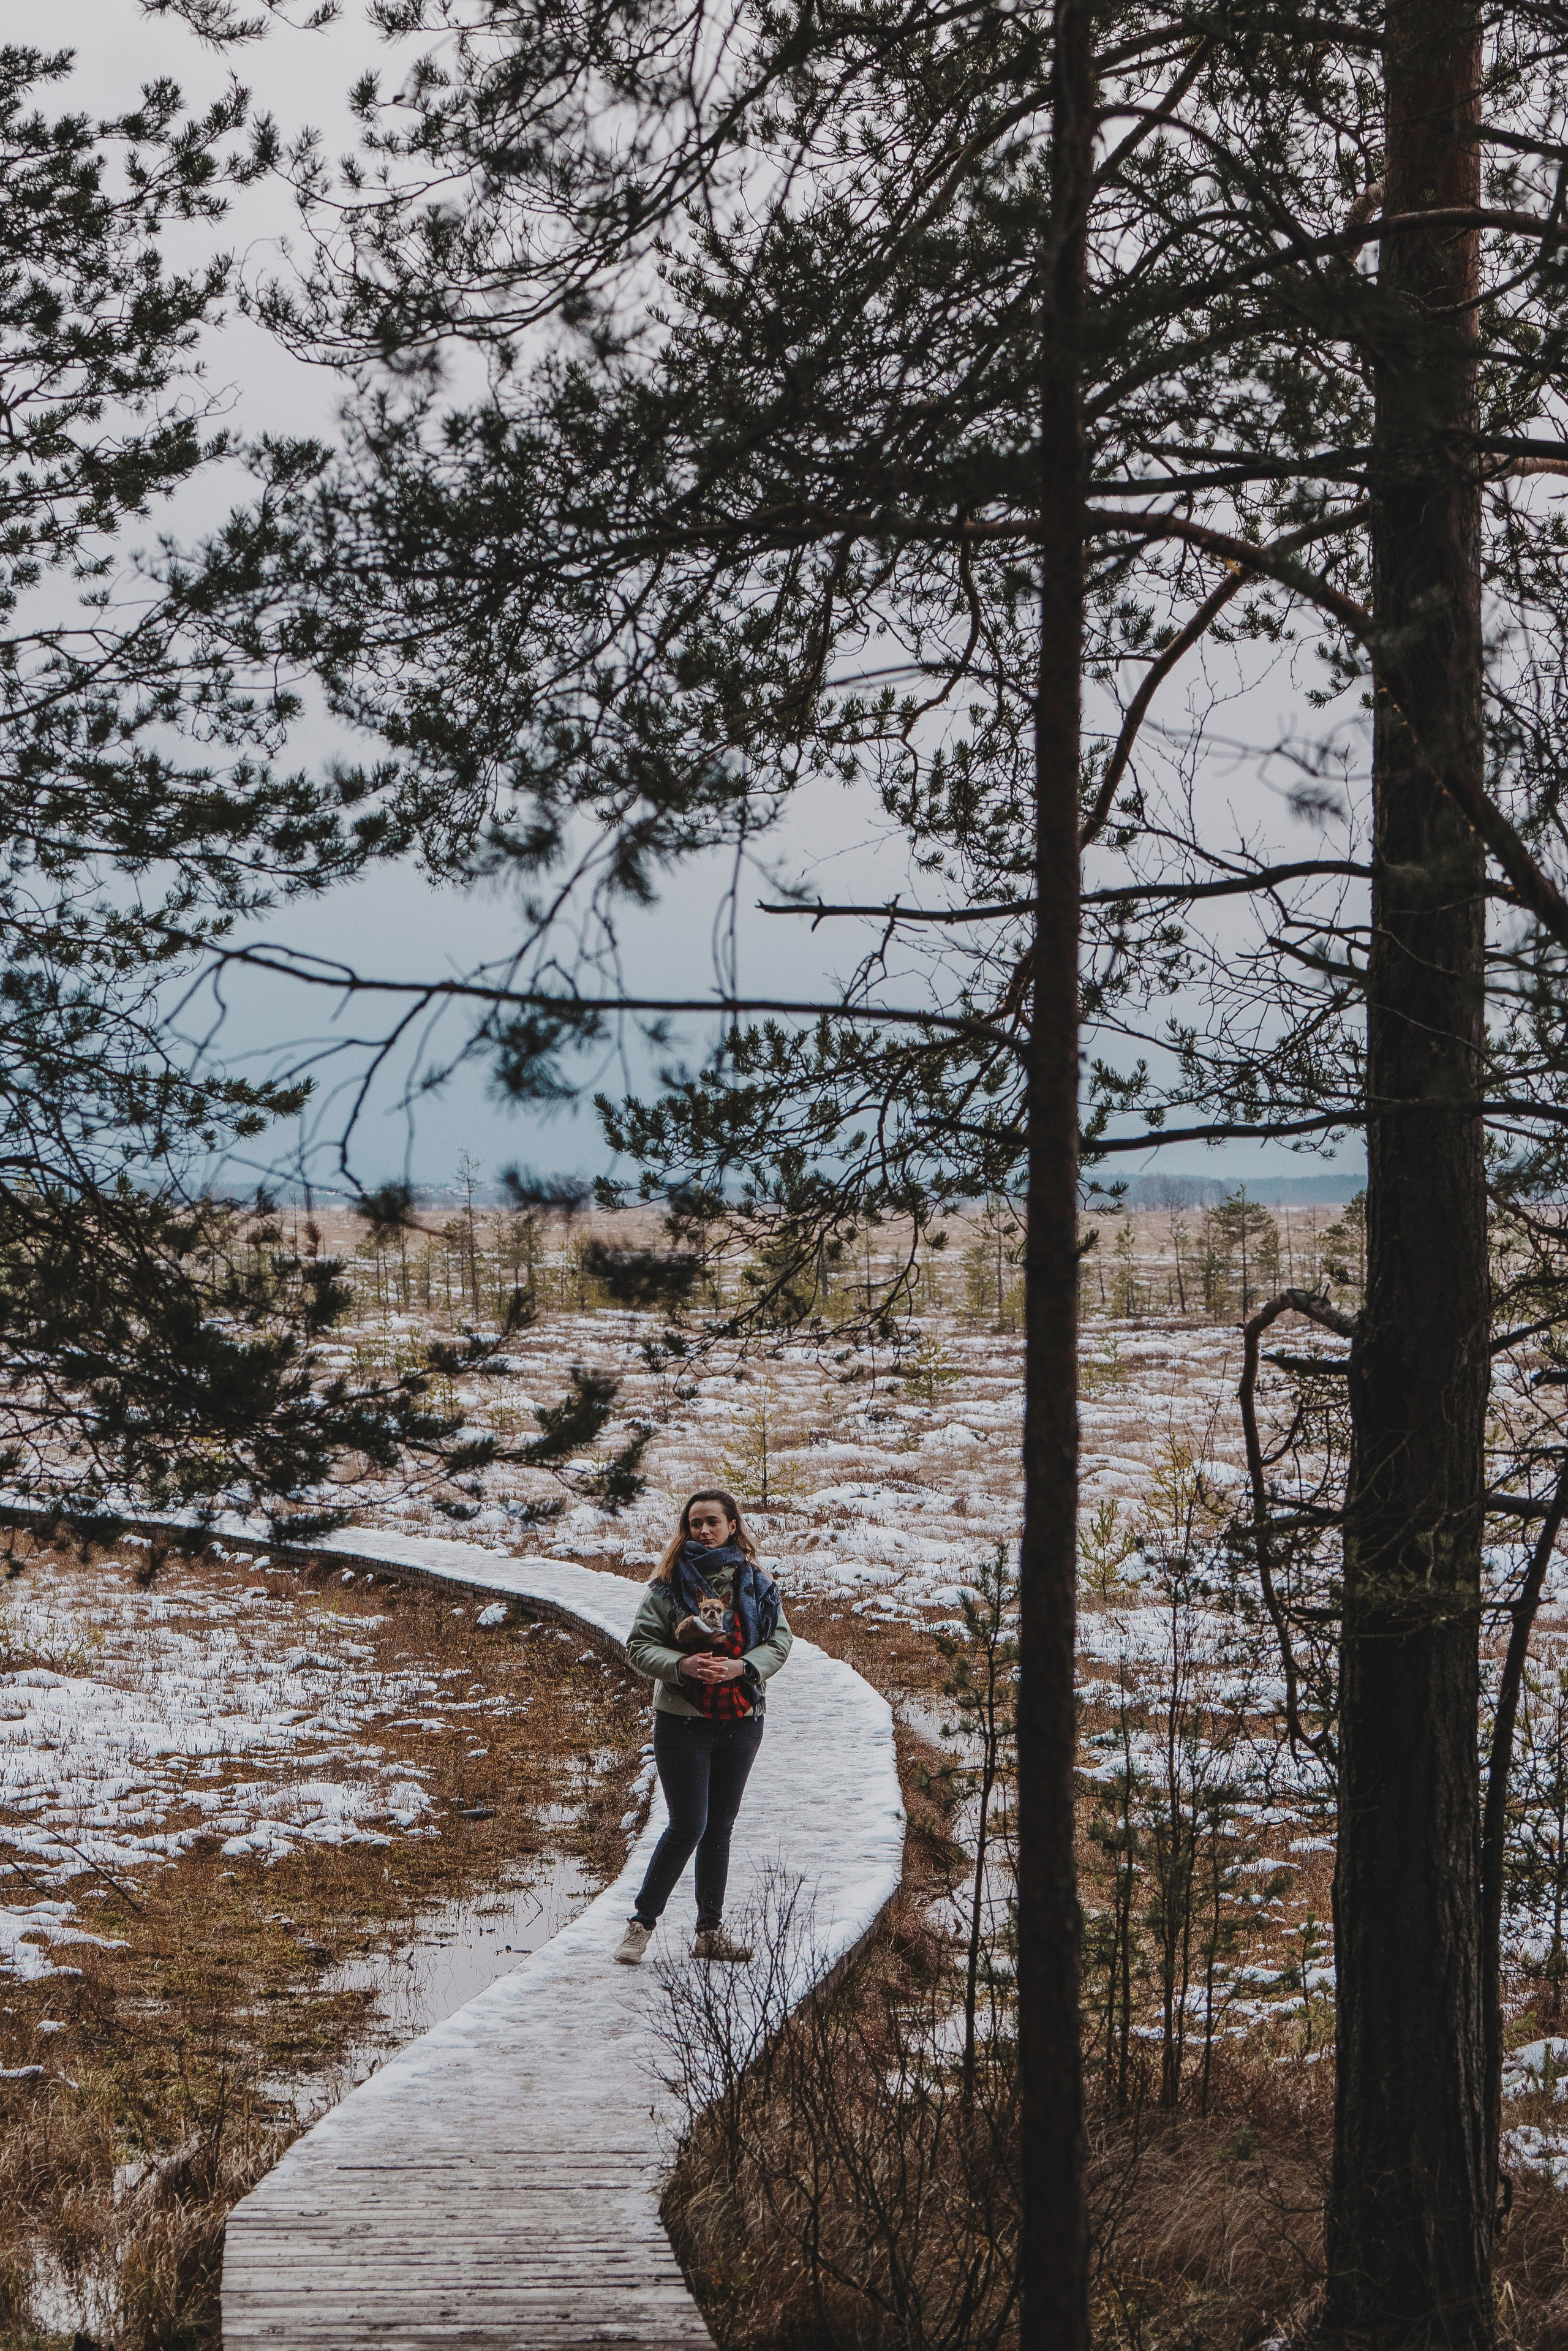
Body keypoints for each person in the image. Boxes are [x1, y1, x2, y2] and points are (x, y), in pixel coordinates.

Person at [616, 1488, 792, 1964]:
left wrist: (743, 1668)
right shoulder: (668, 1585)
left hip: (741, 1719)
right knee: (687, 1825)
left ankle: (709, 1933)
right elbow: (639, 1647)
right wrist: (683, 1666)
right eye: (695, 1523)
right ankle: (641, 1925)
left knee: (720, 1827)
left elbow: (779, 1641)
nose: (704, 1530)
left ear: (732, 1525)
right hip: (682, 1721)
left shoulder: (757, 1582)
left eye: (713, 1521)